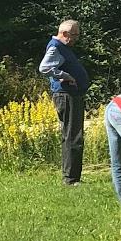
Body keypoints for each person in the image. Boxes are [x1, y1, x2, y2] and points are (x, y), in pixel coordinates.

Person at [38, 19, 90, 186]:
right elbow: (44, 68)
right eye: (74, 35)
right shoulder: (56, 47)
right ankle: (71, 179)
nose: (77, 38)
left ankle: (72, 177)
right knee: (72, 135)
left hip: (70, 95)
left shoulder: (64, 47)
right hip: (66, 96)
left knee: (73, 134)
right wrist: (65, 76)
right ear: (65, 34)